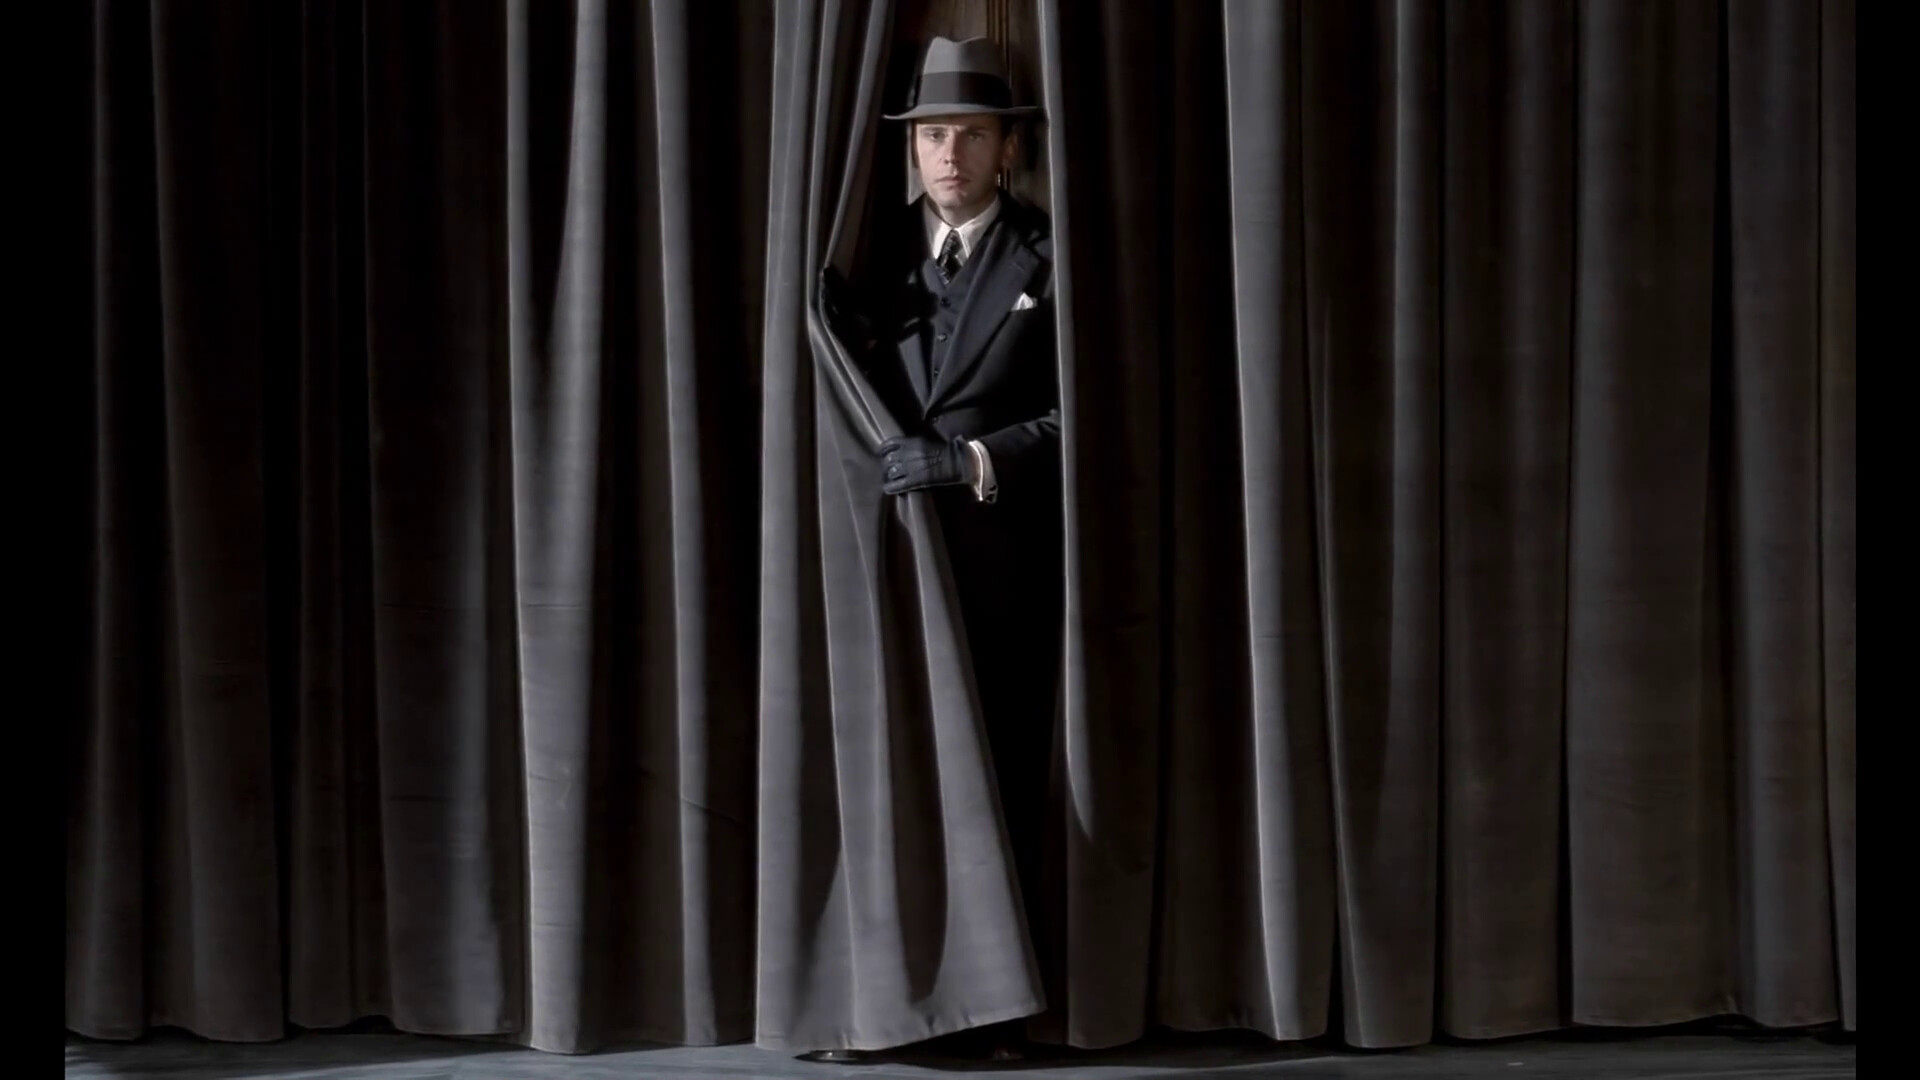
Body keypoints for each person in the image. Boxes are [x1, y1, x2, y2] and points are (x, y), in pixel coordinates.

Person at [813, 34, 1062, 1066]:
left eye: (969, 134)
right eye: (931, 137)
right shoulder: (867, 268)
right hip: (886, 572)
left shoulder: (1050, 259)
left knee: (995, 783)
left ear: (1009, 148)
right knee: (891, 784)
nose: (948, 154)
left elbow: (1085, 414)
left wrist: (971, 461)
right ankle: (888, 1008)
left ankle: (996, 1018)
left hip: (1002, 572)